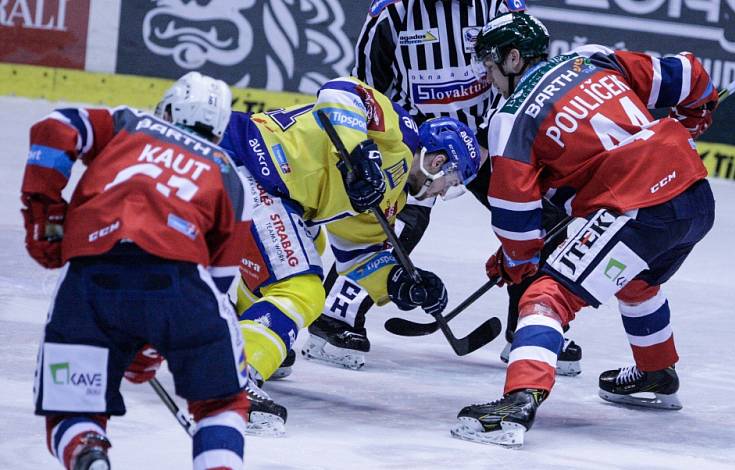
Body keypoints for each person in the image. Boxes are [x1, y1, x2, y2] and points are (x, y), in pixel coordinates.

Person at [450, 11, 717, 447]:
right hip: (694, 194)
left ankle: (517, 403)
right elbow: (691, 73)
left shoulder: (511, 118)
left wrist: (518, 263)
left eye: (490, 65)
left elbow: (515, 212)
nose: (487, 76)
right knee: (635, 278)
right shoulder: (592, 59)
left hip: (636, 206)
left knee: (545, 296)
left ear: (514, 59)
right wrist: (694, 118)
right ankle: (656, 371)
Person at [305, 0, 583, 375]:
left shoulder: (501, 6)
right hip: (416, 145)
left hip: (487, 140)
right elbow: (367, 89)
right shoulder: (391, 14)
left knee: (538, 220)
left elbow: (526, 75)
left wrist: (490, 139)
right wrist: (381, 153)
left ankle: (532, 328)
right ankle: (334, 320)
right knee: (395, 223)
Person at [219, 75, 479, 432]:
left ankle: (249, 332)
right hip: (249, 164)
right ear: (436, 162)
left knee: (313, 242)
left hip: (262, 182)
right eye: (449, 184)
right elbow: (339, 91)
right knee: (302, 288)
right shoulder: (399, 131)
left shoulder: (393, 198)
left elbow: (358, 252)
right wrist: (360, 151)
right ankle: (233, 379)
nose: (440, 193)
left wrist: (401, 283)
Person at [24, 72, 251, 469]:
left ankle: (91, 457)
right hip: (180, 281)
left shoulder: (128, 125)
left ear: (165, 108)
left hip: (89, 279)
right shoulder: (229, 173)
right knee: (221, 403)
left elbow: (56, 128)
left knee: (72, 407)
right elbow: (219, 285)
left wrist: (45, 210)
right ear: (219, 130)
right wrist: (152, 344)